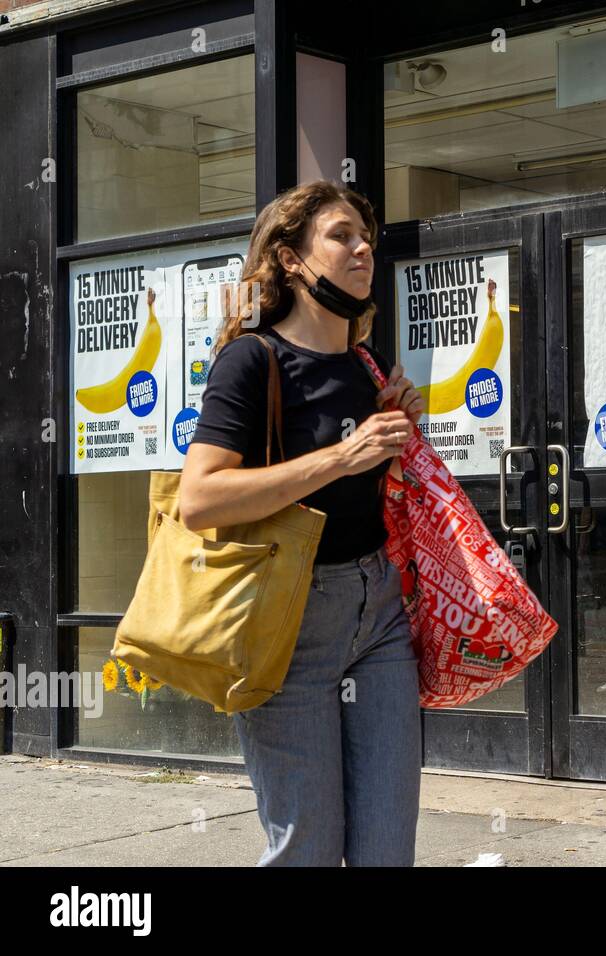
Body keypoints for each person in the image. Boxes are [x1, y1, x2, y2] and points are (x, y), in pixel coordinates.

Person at [178, 180, 425, 866]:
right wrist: (342, 457)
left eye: (365, 236)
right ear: (291, 260)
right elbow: (200, 498)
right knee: (307, 847)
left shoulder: (361, 364)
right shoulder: (251, 360)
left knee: (386, 848)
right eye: (341, 235)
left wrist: (394, 429)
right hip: (285, 617)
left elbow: (375, 492)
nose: (362, 247)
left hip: (377, 612)